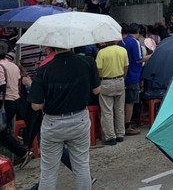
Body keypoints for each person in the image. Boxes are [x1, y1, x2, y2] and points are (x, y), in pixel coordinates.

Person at [29, 46, 101, 190]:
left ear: (52, 46)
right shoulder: (88, 62)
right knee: (81, 165)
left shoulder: (44, 69)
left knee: (48, 172)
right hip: (79, 118)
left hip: (53, 123)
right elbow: (96, 90)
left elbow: (36, 105)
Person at [0, 41, 34, 168]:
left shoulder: (0, 67)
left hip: (3, 102)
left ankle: (22, 153)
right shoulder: (13, 66)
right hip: (15, 101)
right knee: (4, 132)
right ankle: (21, 154)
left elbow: (1, 85)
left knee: (2, 133)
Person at [96, 39, 128, 145]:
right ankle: (120, 134)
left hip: (106, 82)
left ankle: (110, 137)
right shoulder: (123, 50)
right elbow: (126, 67)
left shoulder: (101, 53)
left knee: (107, 111)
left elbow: (98, 70)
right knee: (120, 109)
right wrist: (122, 77)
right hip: (120, 80)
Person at [119, 23, 144, 135]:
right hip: (133, 75)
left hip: (121, 75)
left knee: (121, 103)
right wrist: (150, 57)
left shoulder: (121, 42)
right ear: (137, 32)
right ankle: (127, 125)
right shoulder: (135, 42)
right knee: (130, 102)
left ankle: (120, 125)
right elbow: (138, 59)